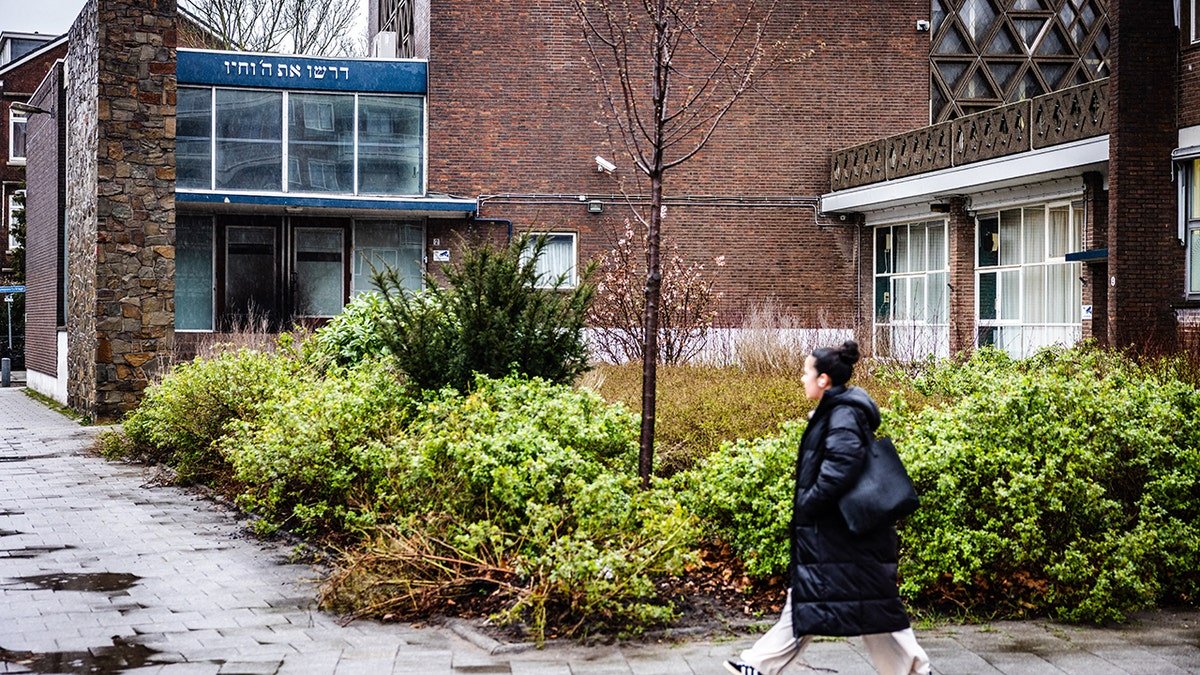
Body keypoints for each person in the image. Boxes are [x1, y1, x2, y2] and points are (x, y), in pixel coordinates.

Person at [725, 340, 930, 675]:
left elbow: (842, 464)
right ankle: (757, 665)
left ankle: (757, 666)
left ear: (823, 380)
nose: (802, 378)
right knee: (833, 601)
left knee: (869, 605)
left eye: (807, 372)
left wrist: (810, 502)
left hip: (844, 532)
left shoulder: (843, 413)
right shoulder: (836, 411)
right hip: (841, 531)